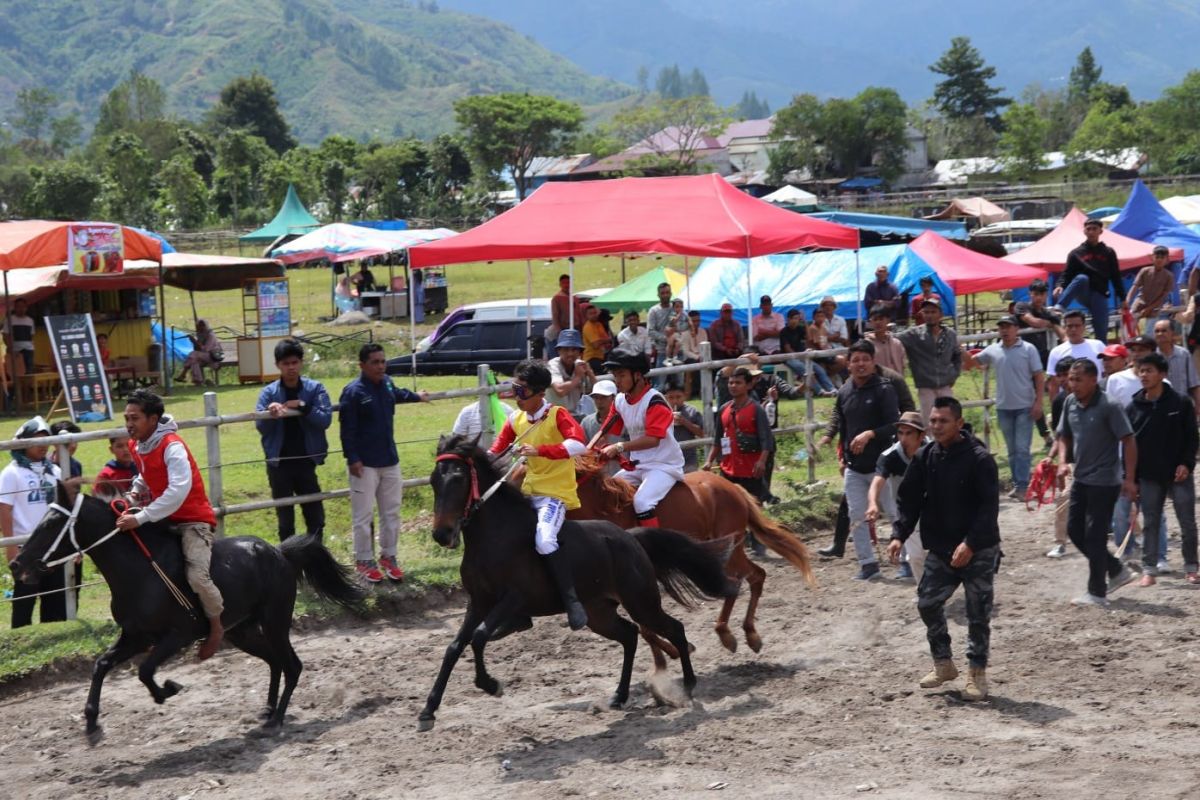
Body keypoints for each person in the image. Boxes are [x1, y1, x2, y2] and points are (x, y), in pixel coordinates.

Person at [889, 396, 1000, 702]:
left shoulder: (979, 459)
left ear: (959, 424)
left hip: (979, 549)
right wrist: (899, 534)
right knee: (926, 602)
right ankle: (944, 663)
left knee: (978, 613)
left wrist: (971, 543)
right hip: (941, 548)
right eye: (933, 421)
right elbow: (909, 499)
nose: (936, 426)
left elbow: (989, 508)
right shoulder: (926, 457)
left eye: (943, 421)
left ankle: (977, 673)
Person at [118, 390, 224, 659]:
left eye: (135, 418)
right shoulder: (138, 444)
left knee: (198, 577)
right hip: (164, 517)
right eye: (126, 418)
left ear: (153, 419)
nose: (129, 424)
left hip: (193, 521)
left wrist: (140, 517)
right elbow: (146, 475)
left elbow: (177, 492)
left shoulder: (172, 446)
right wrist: (133, 492)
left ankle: (216, 626)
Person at [487, 359, 590, 629]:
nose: (516, 397)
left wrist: (541, 451)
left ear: (540, 393)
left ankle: (572, 601)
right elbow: (495, 451)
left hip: (553, 495)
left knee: (544, 540)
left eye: (522, 392)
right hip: (527, 494)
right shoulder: (515, 419)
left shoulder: (557, 415)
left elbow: (579, 444)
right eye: (514, 389)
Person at [339, 343, 430, 583]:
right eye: (375, 362)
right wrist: (353, 459)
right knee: (363, 515)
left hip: (390, 460)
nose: (380, 366)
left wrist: (417, 397)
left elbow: (399, 393)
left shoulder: (387, 383)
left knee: (392, 512)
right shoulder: (353, 392)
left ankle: (389, 556)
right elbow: (347, 430)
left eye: (382, 361)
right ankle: (364, 560)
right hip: (364, 465)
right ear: (362, 365)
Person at [1054, 359, 1138, 607]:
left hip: (1105, 480)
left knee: (1095, 535)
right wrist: (1061, 462)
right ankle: (1115, 569)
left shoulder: (1109, 406)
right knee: (1074, 530)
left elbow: (1129, 440)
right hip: (1081, 477)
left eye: (1078, 379)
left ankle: (1097, 592)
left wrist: (1130, 478)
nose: (1073, 384)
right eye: (1071, 379)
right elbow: (1064, 435)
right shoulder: (1070, 402)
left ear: (1094, 379)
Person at [818, 340, 900, 580]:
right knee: (856, 515)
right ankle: (868, 564)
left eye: (865, 359)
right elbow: (841, 422)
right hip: (854, 466)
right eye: (856, 360)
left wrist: (870, 433)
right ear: (848, 363)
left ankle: (906, 559)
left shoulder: (885, 389)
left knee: (894, 513)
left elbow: (894, 425)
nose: (861, 364)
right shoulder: (844, 391)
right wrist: (839, 452)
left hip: (882, 466)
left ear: (873, 362)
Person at [1125, 352, 1199, 586]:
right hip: (1148, 476)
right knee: (1151, 522)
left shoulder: (1181, 402)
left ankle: (1191, 566)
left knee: (1187, 522)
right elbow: (1130, 446)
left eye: (1149, 370)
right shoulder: (1133, 407)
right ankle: (1150, 569)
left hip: (1178, 474)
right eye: (1141, 371)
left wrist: (1186, 464)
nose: (1144, 375)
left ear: (1163, 374)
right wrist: (1131, 478)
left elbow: (1192, 438)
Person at [255, 339, 334, 542]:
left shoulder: (315, 388)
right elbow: (261, 427)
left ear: (301, 362)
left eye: (294, 362)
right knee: (285, 521)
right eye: (286, 364)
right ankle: (288, 567)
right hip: (279, 463)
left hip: (306, 461)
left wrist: (302, 405)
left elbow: (325, 419)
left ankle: (317, 562)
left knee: (315, 517)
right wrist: (269, 413)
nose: (291, 368)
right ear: (278, 365)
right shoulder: (268, 393)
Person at [597, 350, 686, 527]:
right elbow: (605, 431)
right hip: (637, 465)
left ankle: (654, 545)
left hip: (663, 466)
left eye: (621, 375)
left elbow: (653, 439)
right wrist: (591, 450)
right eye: (615, 376)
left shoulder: (655, 401)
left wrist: (619, 447)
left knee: (642, 502)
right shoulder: (620, 400)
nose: (617, 381)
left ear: (637, 375)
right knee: (609, 491)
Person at [962, 315, 1044, 498]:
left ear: (1016, 328)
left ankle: (1023, 485)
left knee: (1022, 448)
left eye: (1008, 326)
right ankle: (1019, 484)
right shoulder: (993, 350)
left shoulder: (1029, 349)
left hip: (1025, 405)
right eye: (1002, 327)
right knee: (1013, 449)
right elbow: (971, 364)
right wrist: (960, 350)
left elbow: (1039, 376)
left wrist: (1038, 402)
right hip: (1004, 407)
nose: (1005, 330)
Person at [1107, 337, 1167, 565]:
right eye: (1134, 350)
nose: (1137, 354)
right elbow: (1110, 416)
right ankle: (1127, 551)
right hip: (1121, 456)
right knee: (1121, 510)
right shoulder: (1115, 380)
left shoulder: (1164, 385)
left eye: (1143, 350)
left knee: (1155, 510)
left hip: (1152, 457)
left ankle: (1159, 555)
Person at [2, 417, 64, 628]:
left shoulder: (54, 471)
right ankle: (21, 642)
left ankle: (53, 642)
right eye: (36, 440)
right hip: (25, 549)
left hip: (53, 549)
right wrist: (10, 546)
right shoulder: (11, 473)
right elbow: (5, 509)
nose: (42, 445)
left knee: (56, 601)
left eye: (46, 440)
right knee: (24, 601)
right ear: (23, 442)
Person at [866, 411, 927, 581]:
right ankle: (926, 594)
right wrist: (873, 503)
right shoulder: (890, 456)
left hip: (937, 509)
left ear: (921, 435)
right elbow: (877, 481)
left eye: (909, 433)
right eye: (900, 433)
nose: (904, 438)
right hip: (909, 513)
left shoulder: (935, 451)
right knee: (915, 556)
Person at [704, 367, 774, 507]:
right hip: (728, 468)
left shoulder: (756, 409)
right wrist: (709, 461)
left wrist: (761, 462)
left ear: (748, 385)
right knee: (730, 508)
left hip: (751, 469)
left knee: (753, 508)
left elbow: (766, 439)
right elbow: (718, 439)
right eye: (731, 383)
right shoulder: (724, 409)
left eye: (738, 383)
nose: (733, 386)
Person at [1053, 217, 1126, 342]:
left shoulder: (1108, 252)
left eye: (1094, 229)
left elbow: (1115, 276)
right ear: (1084, 232)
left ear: (1100, 231)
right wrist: (1060, 285)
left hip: (1100, 294)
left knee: (1102, 334)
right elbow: (1067, 273)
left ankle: (1102, 359)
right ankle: (1059, 307)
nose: (1091, 232)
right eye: (1089, 229)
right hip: (1084, 292)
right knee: (1081, 278)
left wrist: (1123, 298)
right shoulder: (1076, 253)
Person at [898, 298, 961, 423]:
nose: (930, 315)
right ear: (922, 314)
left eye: (933, 312)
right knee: (929, 421)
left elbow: (957, 355)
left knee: (948, 419)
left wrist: (954, 374)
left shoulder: (950, 334)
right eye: (926, 312)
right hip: (925, 386)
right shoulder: (914, 335)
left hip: (945, 384)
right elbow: (894, 338)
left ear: (940, 314)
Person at [1045, 357, 1076, 559]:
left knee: (1117, 498)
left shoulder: (1098, 398)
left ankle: (1136, 534)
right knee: (1065, 498)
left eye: (1068, 375)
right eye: (1061, 375)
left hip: (1098, 459)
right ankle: (1060, 542)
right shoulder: (1059, 402)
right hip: (1072, 460)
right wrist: (1052, 457)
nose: (1064, 379)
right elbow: (1060, 434)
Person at [782, 308, 834, 395]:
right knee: (805, 369)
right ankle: (820, 391)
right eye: (794, 318)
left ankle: (832, 389)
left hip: (802, 356)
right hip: (789, 358)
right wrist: (799, 357)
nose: (796, 321)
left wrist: (805, 322)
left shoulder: (799, 329)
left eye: (798, 318)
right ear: (789, 319)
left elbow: (809, 337)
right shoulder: (784, 332)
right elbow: (788, 349)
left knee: (819, 369)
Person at [1013, 278, 1064, 367]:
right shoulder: (1021, 306)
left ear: (1046, 295)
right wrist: (1050, 323)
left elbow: (1062, 334)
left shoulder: (1049, 313)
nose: (1039, 297)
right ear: (1030, 294)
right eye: (1036, 294)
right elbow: (1034, 322)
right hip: (1023, 355)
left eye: (1042, 294)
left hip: (1042, 355)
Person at [1154, 318, 1200, 413]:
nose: (1160, 334)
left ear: (1172, 333)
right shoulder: (1152, 357)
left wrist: (1198, 405)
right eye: (1157, 331)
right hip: (1159, 407)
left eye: (1164, 331)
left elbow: (1193, 383)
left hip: (1182, 406)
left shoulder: (1184, 354)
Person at [580, 379, 625, 477]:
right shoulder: (586, 422)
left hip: (624, 475)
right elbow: (582, 451)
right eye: (596, 398)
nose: (599, 401)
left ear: (614, 398)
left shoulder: (626, 421)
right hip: (598, 478)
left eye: (604, 397)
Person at [547, 328, 594, 418]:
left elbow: (596, 391)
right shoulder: (553, 365)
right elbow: (560, 390)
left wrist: (590, 373)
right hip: (554, 415)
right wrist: (577, 377)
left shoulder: (580, 365)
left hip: (575, 414)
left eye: (574, 350)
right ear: (559, 351)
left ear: (580, 352)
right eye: (566, 349)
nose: (570, 354)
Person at [1127, 245, 1176, 328]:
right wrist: (1127, 300)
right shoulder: (1145, 271)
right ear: (1152, 258)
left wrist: (1149, 308)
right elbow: (1135, 286)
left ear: (1167, 260)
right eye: (1157, 257)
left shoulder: (1169, 276)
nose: (1159, 259)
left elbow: (1163, 296)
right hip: (1140, 302)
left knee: (1150, 331)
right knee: (1129, 325)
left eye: (1162, 257)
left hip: (1155, 307)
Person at [1046, 310, 1105, 380]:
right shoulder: (1056, 352)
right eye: (1070, 326)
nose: (1073, 329)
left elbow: (1105, 372)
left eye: (1077, 326)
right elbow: (1053, 381)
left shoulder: (1098, 346)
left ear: (1084, 327)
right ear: (1064, 328)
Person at [665, 382, 704, 472]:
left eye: (678, 397)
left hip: (689, 461)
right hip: (668, 462)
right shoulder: (661, 412)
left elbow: (702, 433)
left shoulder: (692, 411)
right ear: (666, 398)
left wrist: (684, 422)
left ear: (684, 396)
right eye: (671, 398)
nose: (675, 401)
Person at [547, 273, 584, 356]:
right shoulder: (557, 298)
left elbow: (579, 314)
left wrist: (581, 330)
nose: (567, 285)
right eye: (564, 283)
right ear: (560, 284)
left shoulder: (575, 298)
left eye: (568, 282)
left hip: (575, 331)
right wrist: (560, 333)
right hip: (562, 332)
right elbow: (555, 316)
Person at [807, 307, 847, 382]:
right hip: (817, 354)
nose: (820, 318)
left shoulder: (823, 327)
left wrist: (829, 348)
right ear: (814, 317)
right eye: (818, 316)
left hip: (824, 352)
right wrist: (829, 350)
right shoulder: (813, 328)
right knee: (841, 360)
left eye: (822, 316)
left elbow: (826, 340)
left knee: (844, 359)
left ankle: (830, 377)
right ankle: (828, 377)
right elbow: (818, 345)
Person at [93, 435, 139, 500]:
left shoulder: (142, 468)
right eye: (120, 446)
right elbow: (98, 500)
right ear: (111, 449)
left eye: (129, 444)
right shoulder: (106, 475)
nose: (126, 449)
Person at [179, 319, 224, 386]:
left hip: (213, 357)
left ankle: (183, 373)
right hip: (203, 357)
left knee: (193, 354)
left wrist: (196, 342)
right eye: (198, 326)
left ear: (205, 326)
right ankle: (198, 381)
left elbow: (206, 349)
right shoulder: (201, 335)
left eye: (201, 326)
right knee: (194, 361)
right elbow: (197, 349)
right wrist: (193, 342)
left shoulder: (210, 335)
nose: (199, 328)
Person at [865, 304, 906, 375]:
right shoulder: (867, 344)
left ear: (888, 320)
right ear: (871, 322)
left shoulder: (897, 343)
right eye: (875, 319)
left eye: (881, 319)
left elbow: (902, 366)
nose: (878, 322)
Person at [646, 281, 675, 379]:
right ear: (658, 295)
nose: (665, 295)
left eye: (667, 292)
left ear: (671, 293)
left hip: (677, 349)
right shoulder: (653, 311)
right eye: (663, 293)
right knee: (660, 382)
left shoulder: (676, 308)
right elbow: (650, 331)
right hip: (661, 350)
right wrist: (666, 339)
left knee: (679, 381)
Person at [5, 298, 35, 376]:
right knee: (16, 373)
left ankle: (27, 388)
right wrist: (10, 348)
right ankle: (18, 388)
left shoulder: (30, 320)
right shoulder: (10, 320)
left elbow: (32, 335)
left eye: (23, 306)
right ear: (14, 308)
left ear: (26, 308)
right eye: (18, 306)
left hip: (28, 350)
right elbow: (6, 335)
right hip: (15, 350)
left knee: (29, 372)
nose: (21, 309)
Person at [581, 304, 612, 374]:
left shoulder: (599, 324)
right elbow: (596, 344)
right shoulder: (588, 327)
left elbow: (607, 340)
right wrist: (606, 340)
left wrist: (604, 341)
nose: (594, 315)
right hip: (591, 358)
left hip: (601, 356)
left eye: (595, 313)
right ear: (586, 316)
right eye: (591, 314)